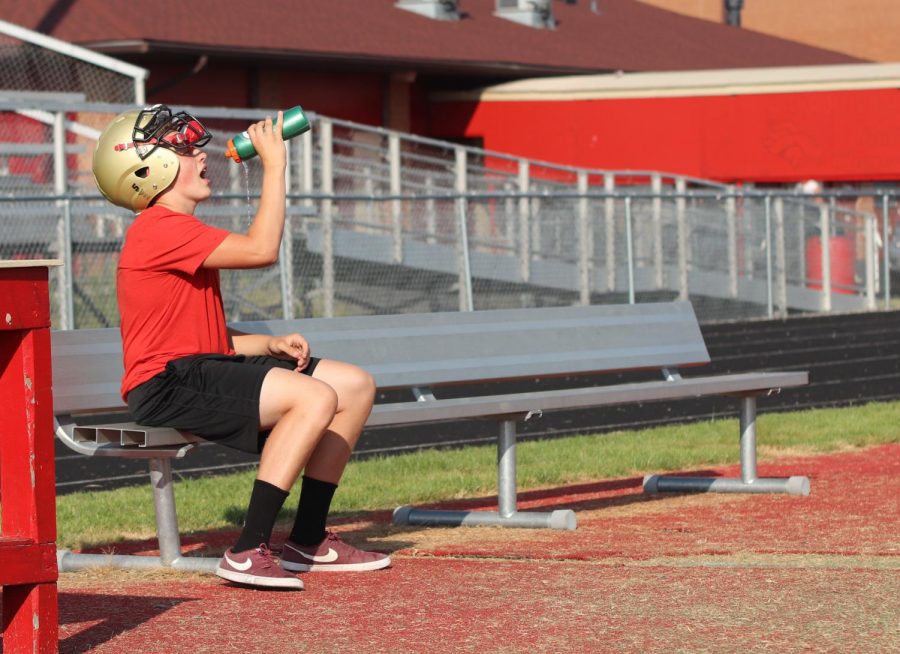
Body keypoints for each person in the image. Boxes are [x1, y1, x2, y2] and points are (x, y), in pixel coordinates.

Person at [91, 104, 390, 590]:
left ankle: (309, 539)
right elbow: (261, 250)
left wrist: (267, 343)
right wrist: (274, 164)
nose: (200, 154)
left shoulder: (179, 232)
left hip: (195, 368)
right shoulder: (157, 228)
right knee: (313, 396)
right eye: (184, 149)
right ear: (149, 170)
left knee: (353, 385)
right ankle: (248, 549)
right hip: (166, 384)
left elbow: (202, 337)